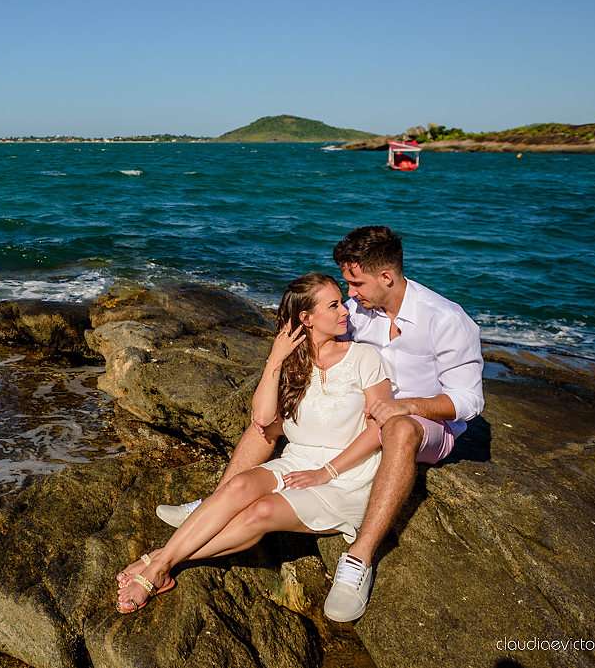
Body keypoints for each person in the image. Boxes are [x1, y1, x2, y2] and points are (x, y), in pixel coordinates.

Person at [154, 226, 484, 622]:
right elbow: (322, 337)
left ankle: (359, 558)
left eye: (355, 284)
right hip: (363, 410)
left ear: (386, 276)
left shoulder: (445, 319)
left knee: (399, 427)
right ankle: (217, 502)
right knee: (271, 420)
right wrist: (280, 357)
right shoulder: (357, 310)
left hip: (424, 424)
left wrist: (404, 406)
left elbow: (469, 401)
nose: (350, 296)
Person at [116, 272, 392, 614]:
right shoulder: (291, 362)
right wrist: (275, 359)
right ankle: (162, 564)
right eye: (334, 305)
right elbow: (262, 420)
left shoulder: (364, 358)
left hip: (347, 476)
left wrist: (326, 472)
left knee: (261, 511)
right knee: (239, 485)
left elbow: (378, 430)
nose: (346, 311)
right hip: (297, 461)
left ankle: (160, 562)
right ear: (306, 318)